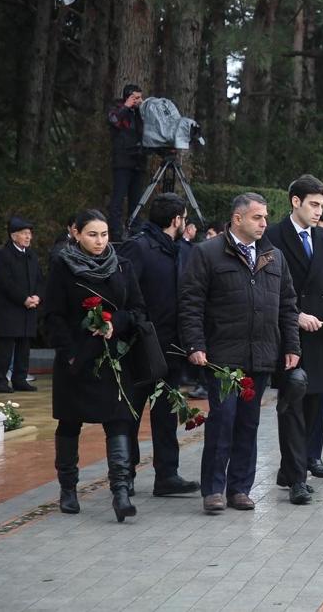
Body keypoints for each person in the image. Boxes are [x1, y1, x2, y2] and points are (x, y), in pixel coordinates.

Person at [179, 193, 301, 513]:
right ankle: (214, 490)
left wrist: (291, 345)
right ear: (237, 219)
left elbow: (287, 305)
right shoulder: (207, 253)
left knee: (249, 423)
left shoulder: (274, 256)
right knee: (223, 420)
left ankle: (240, 489)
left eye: (265, 217)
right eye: (257, 218)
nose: (264, 223)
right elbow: (191, 303)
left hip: (260, 354)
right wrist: (195, 344)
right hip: (222, 355)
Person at [42, 210, 146, 521]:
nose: (100, 241)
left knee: (118, 421)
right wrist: (71, 351)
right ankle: (68, 488)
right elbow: (53, 317)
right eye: (92, 234)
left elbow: (138, 310)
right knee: (70, 423)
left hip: (112, 358)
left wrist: (116, 322)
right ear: (75, 233)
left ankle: (121, 492)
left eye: (103, 234)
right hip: (76, 360)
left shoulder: (122, 266)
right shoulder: (63, 267)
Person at [264, 176, 323, 506]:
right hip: (290, 337)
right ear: (295, 201)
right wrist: (296, 314)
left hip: (322, 336)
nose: (319, 211)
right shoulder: (272, 237)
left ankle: (296, 464)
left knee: (316, 405)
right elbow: (267, 289)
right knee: (292, 404)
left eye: (322, 205)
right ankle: (297, 478)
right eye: (313, 204)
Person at [119, 193, 200, 498]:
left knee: (166, 413)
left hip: (172, 347)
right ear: (176, 219)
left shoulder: (182, 250)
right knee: (131, 412)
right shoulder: (138, 247)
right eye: (184, 217)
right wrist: (140, 327)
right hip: (141, 346)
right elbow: (124, 292)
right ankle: (124, 473)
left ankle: (167, 475)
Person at [0, 216, 44, 393]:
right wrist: (24, 298)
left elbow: (39, 279)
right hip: (10, 308)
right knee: (6, 347)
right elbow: (4, 283)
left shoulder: (32, 256)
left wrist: (37, 296)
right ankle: (0, 381)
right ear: (14, 236)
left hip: (29, 309)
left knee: (24, 346)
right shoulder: (2, 255)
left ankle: (20, 379)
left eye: (29, 234)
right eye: (24, 234)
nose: (28, 237)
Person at [107, 84, 145, 240]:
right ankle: (115, 232)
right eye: (135, 97)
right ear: (128, 97)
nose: (138, 101)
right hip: (123, 161)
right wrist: (126, 106)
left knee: (136, 200)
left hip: (139, 161)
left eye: (140, 97)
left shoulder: (141, 113)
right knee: (118, 198)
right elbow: (113, 120)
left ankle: (135, 231)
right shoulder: (117, 108)